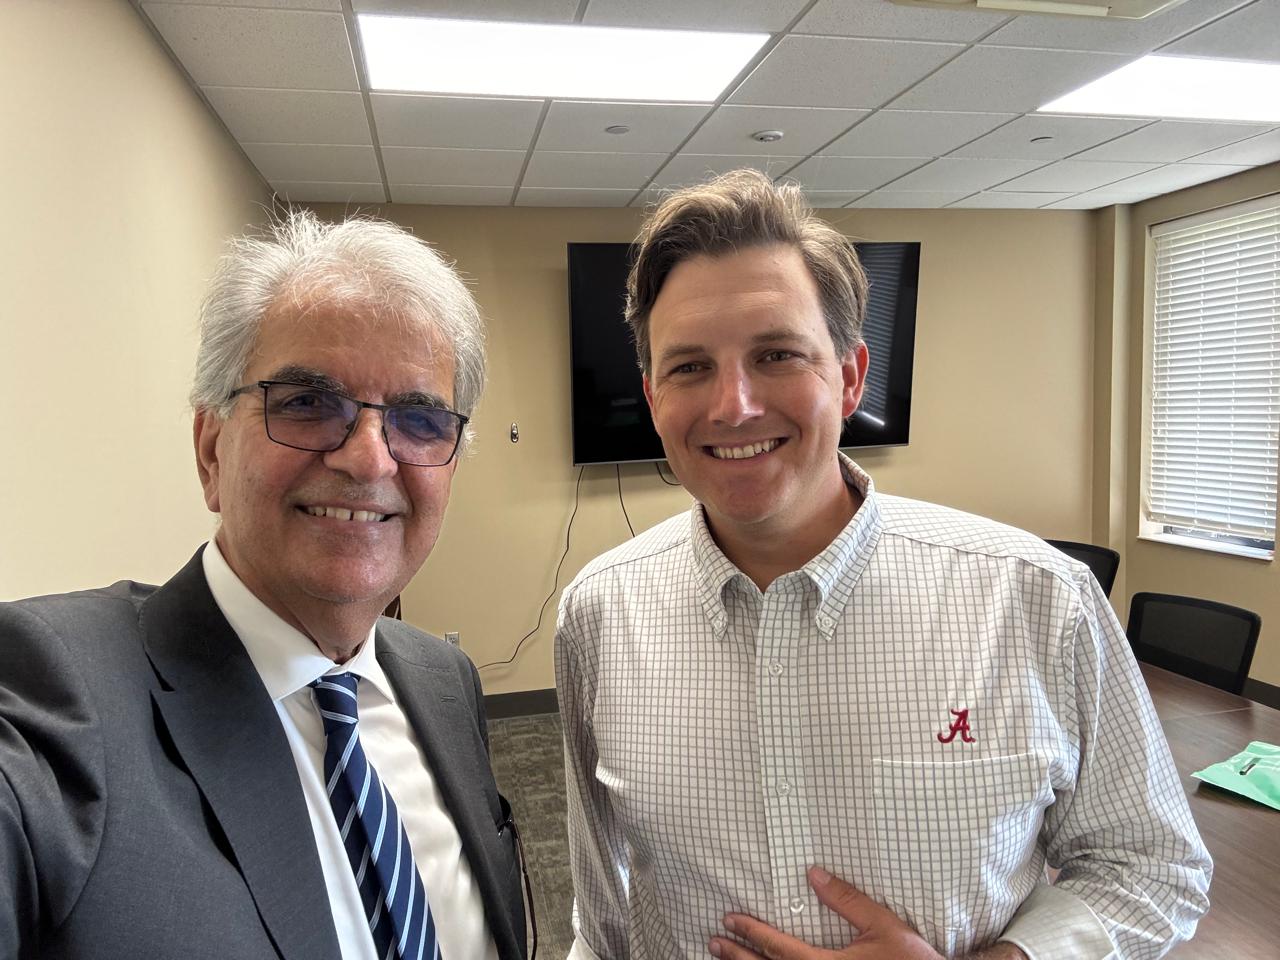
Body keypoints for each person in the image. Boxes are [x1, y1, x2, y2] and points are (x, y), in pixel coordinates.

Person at [554, 169, 1211, 960]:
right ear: (654, 398)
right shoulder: (599, 614)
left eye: (776, 354)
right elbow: (602, 922)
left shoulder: (1037, 598)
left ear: (850, 377)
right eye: (690, 367)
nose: (734, 405)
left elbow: (1152, 866)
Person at [0, 211, 526, 959]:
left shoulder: (445, 680)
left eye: (419, 419)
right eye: (307, 403)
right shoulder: (52, 691)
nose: (369, 459)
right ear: (210, 450)